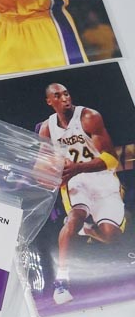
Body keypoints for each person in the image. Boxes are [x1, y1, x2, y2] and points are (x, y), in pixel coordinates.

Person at [38, 83, 124, 304]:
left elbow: (111, 159)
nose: (64, 98)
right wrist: (48, 175)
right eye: (58, 95)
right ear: (50, 101)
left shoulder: (89, 117)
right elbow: (42, 165)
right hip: (75, 183)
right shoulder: (47, 128)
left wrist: (78, 167)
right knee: (73, 218)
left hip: (103, 180)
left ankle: (88, 229)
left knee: (111, 236)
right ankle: (61, 282)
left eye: (66, 93)